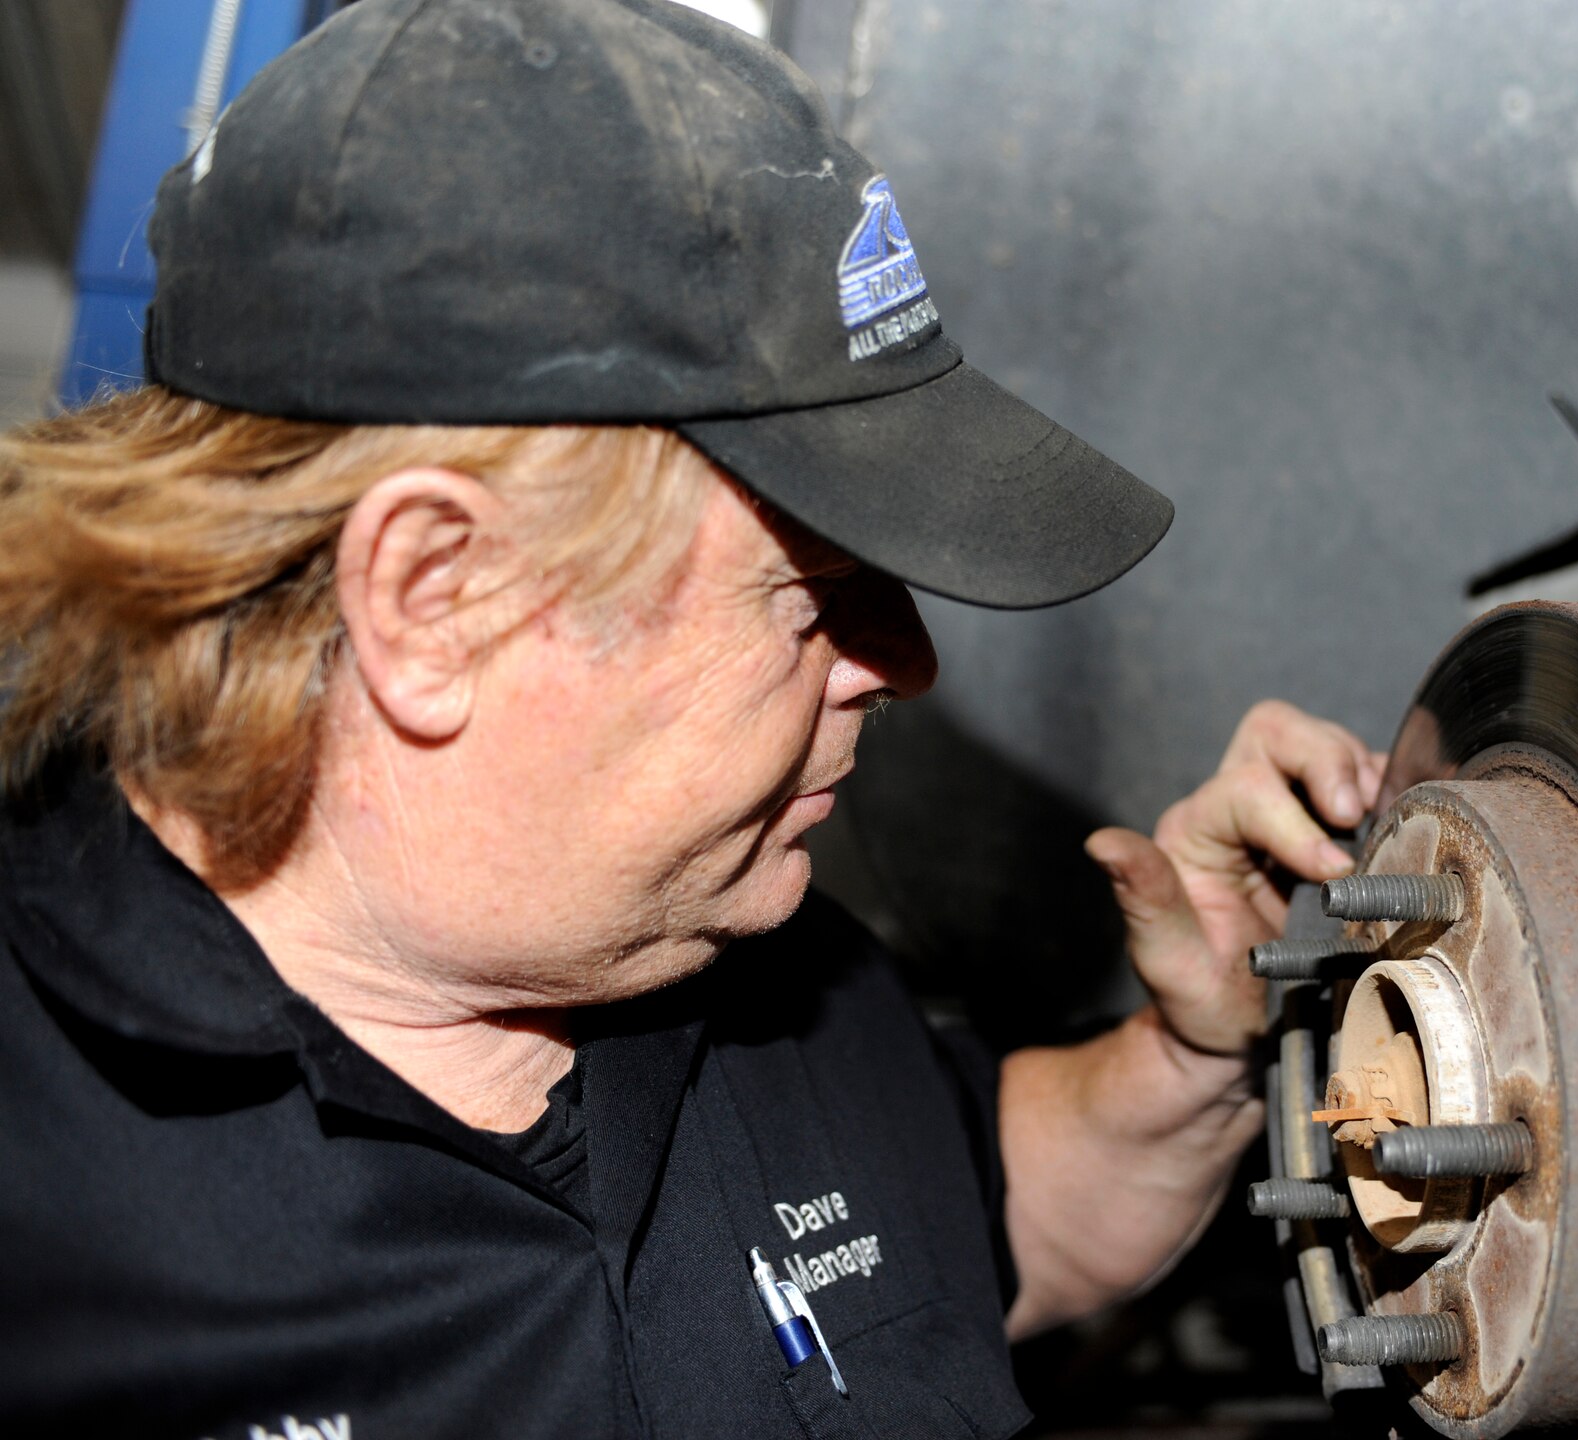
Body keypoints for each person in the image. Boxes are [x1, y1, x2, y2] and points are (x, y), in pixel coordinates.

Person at [0, 2, 1383, 1436]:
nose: (904, 665)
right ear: (437, 598)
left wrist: (1193, 1054)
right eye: (815, 592)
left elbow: (984, 1219)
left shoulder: (770, 969)